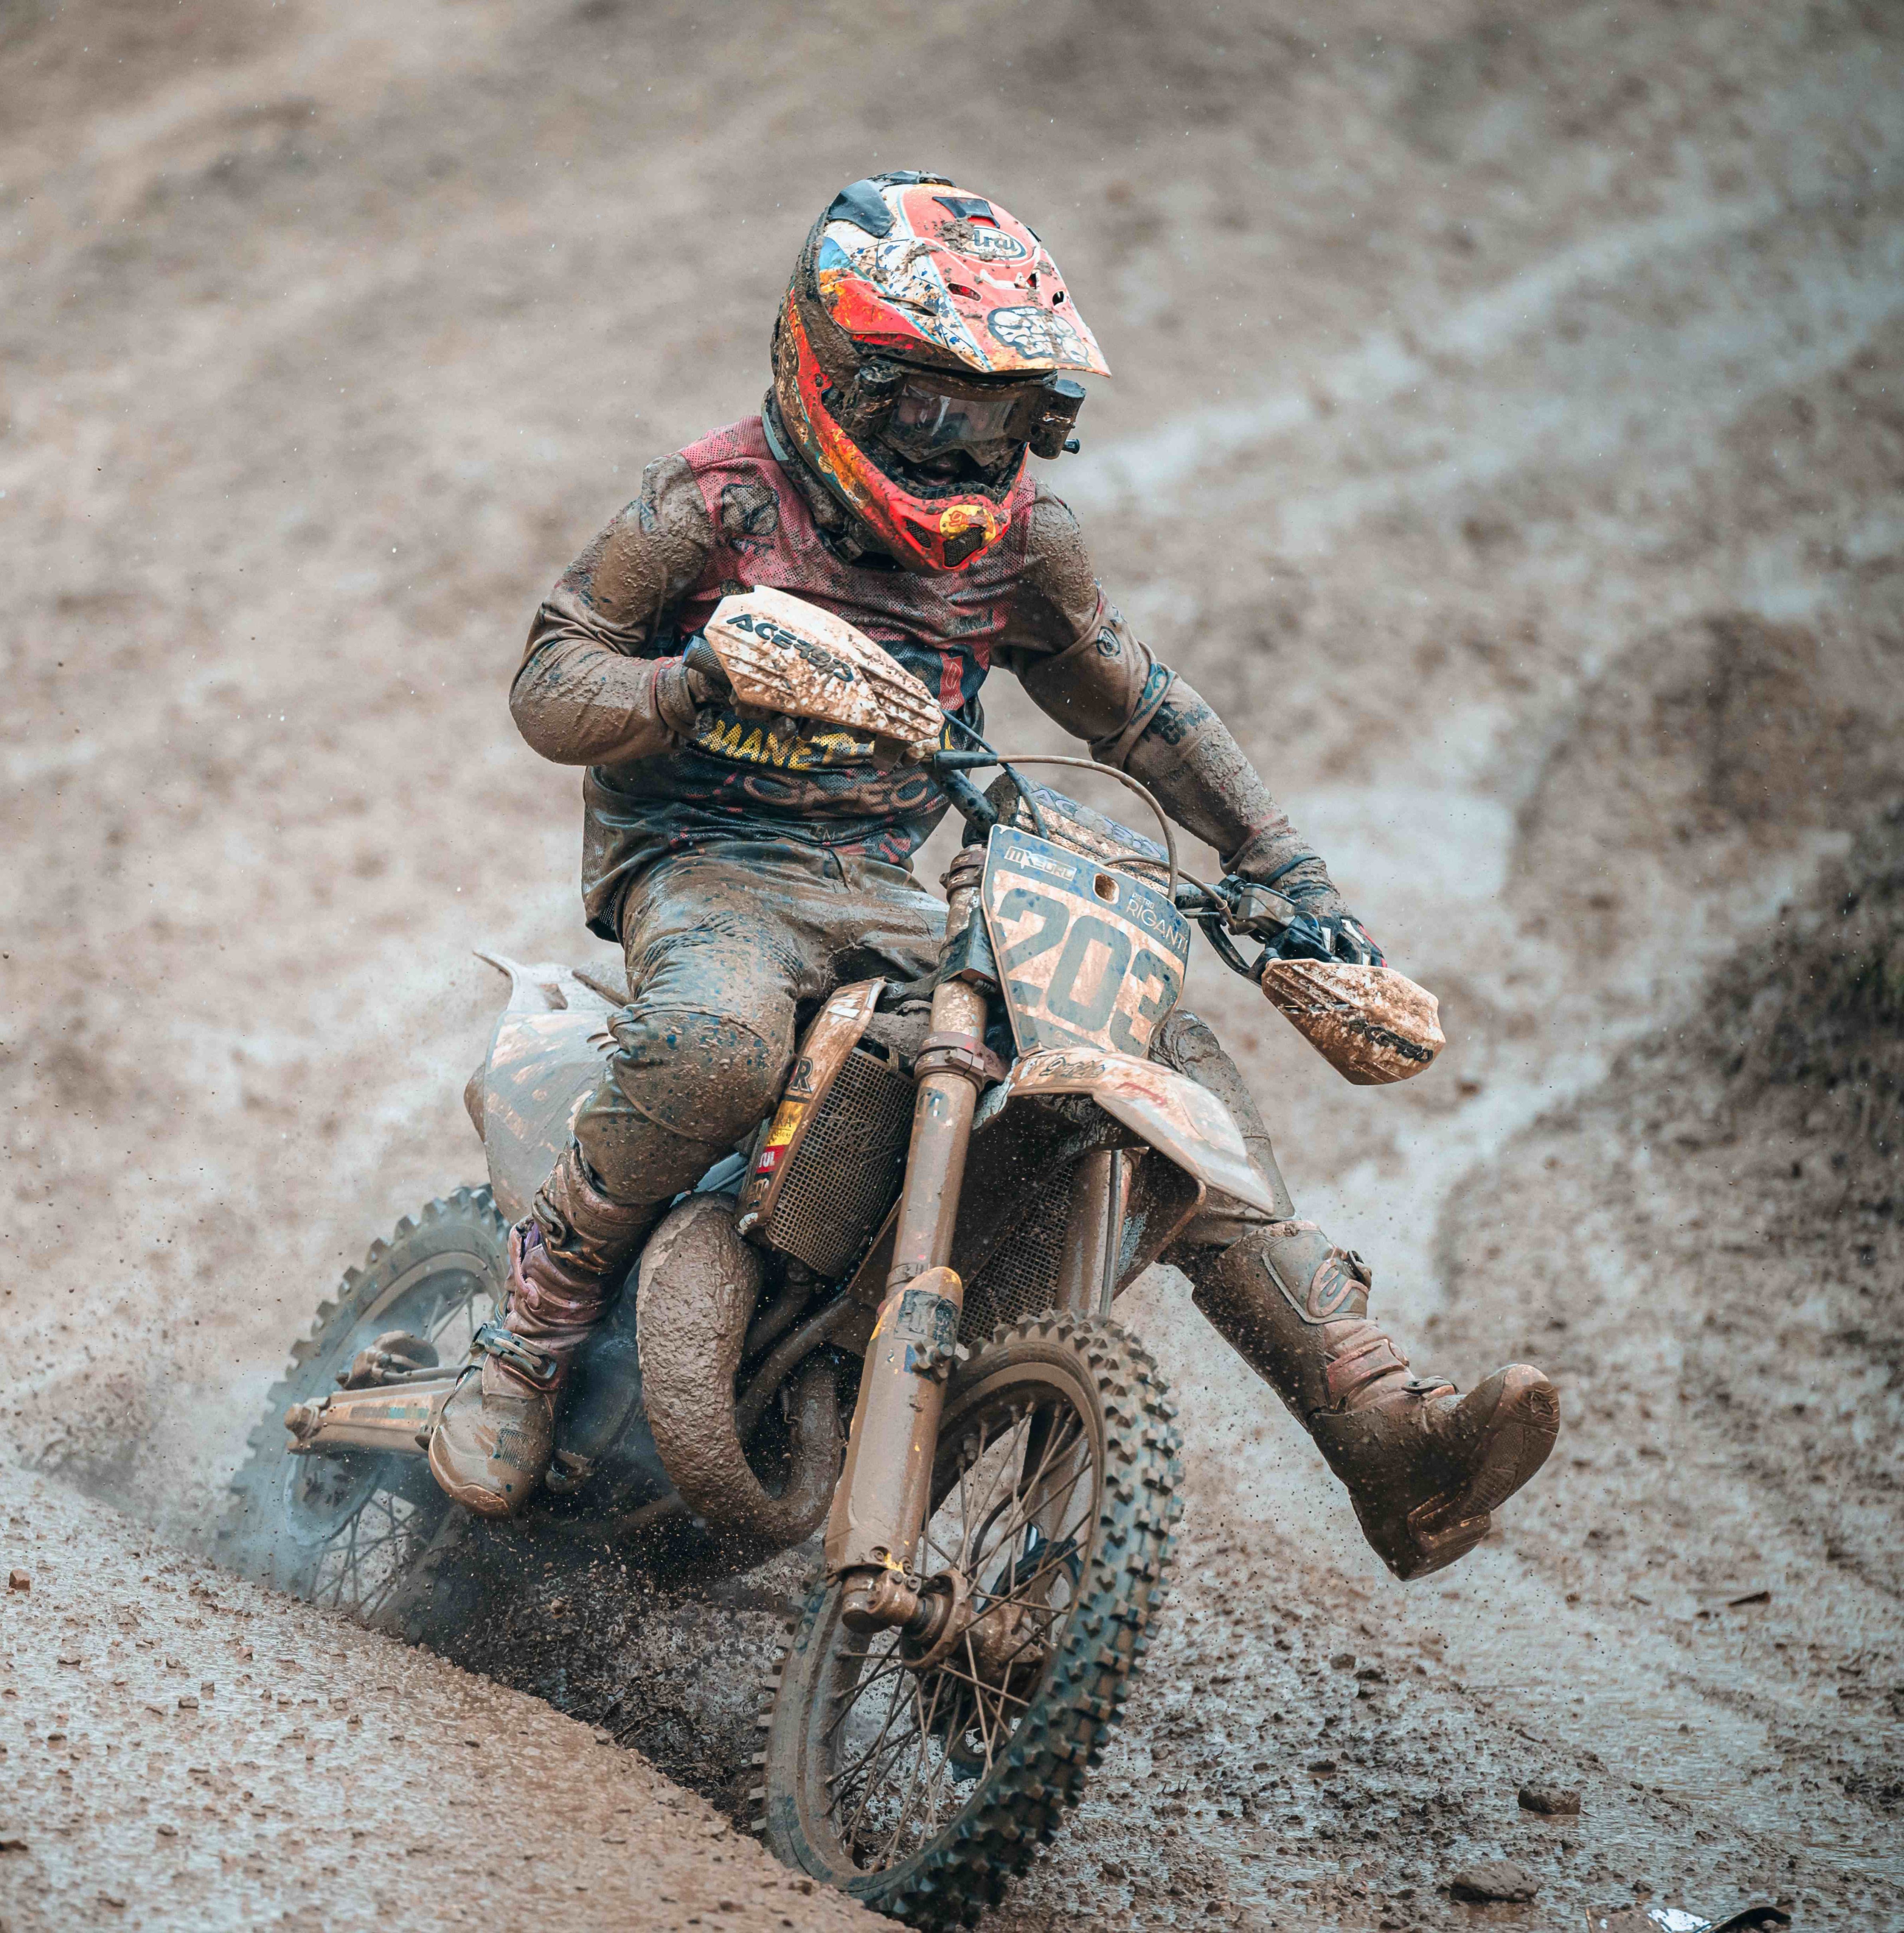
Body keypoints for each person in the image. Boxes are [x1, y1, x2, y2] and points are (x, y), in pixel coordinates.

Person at [429, 172, 1558, 1581]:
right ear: (834, 370)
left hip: (896, 885)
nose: (972, 454)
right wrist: (692, 677)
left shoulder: (1027, 545)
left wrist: (1285, 867)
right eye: (938, 412)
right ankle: (534, 1327)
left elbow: (1139, 708)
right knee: (719, 1043)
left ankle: (1382, 1422)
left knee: (1166, 1056)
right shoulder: (715, 503)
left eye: (1009, 419)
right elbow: (551, 674)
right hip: (718, 864)